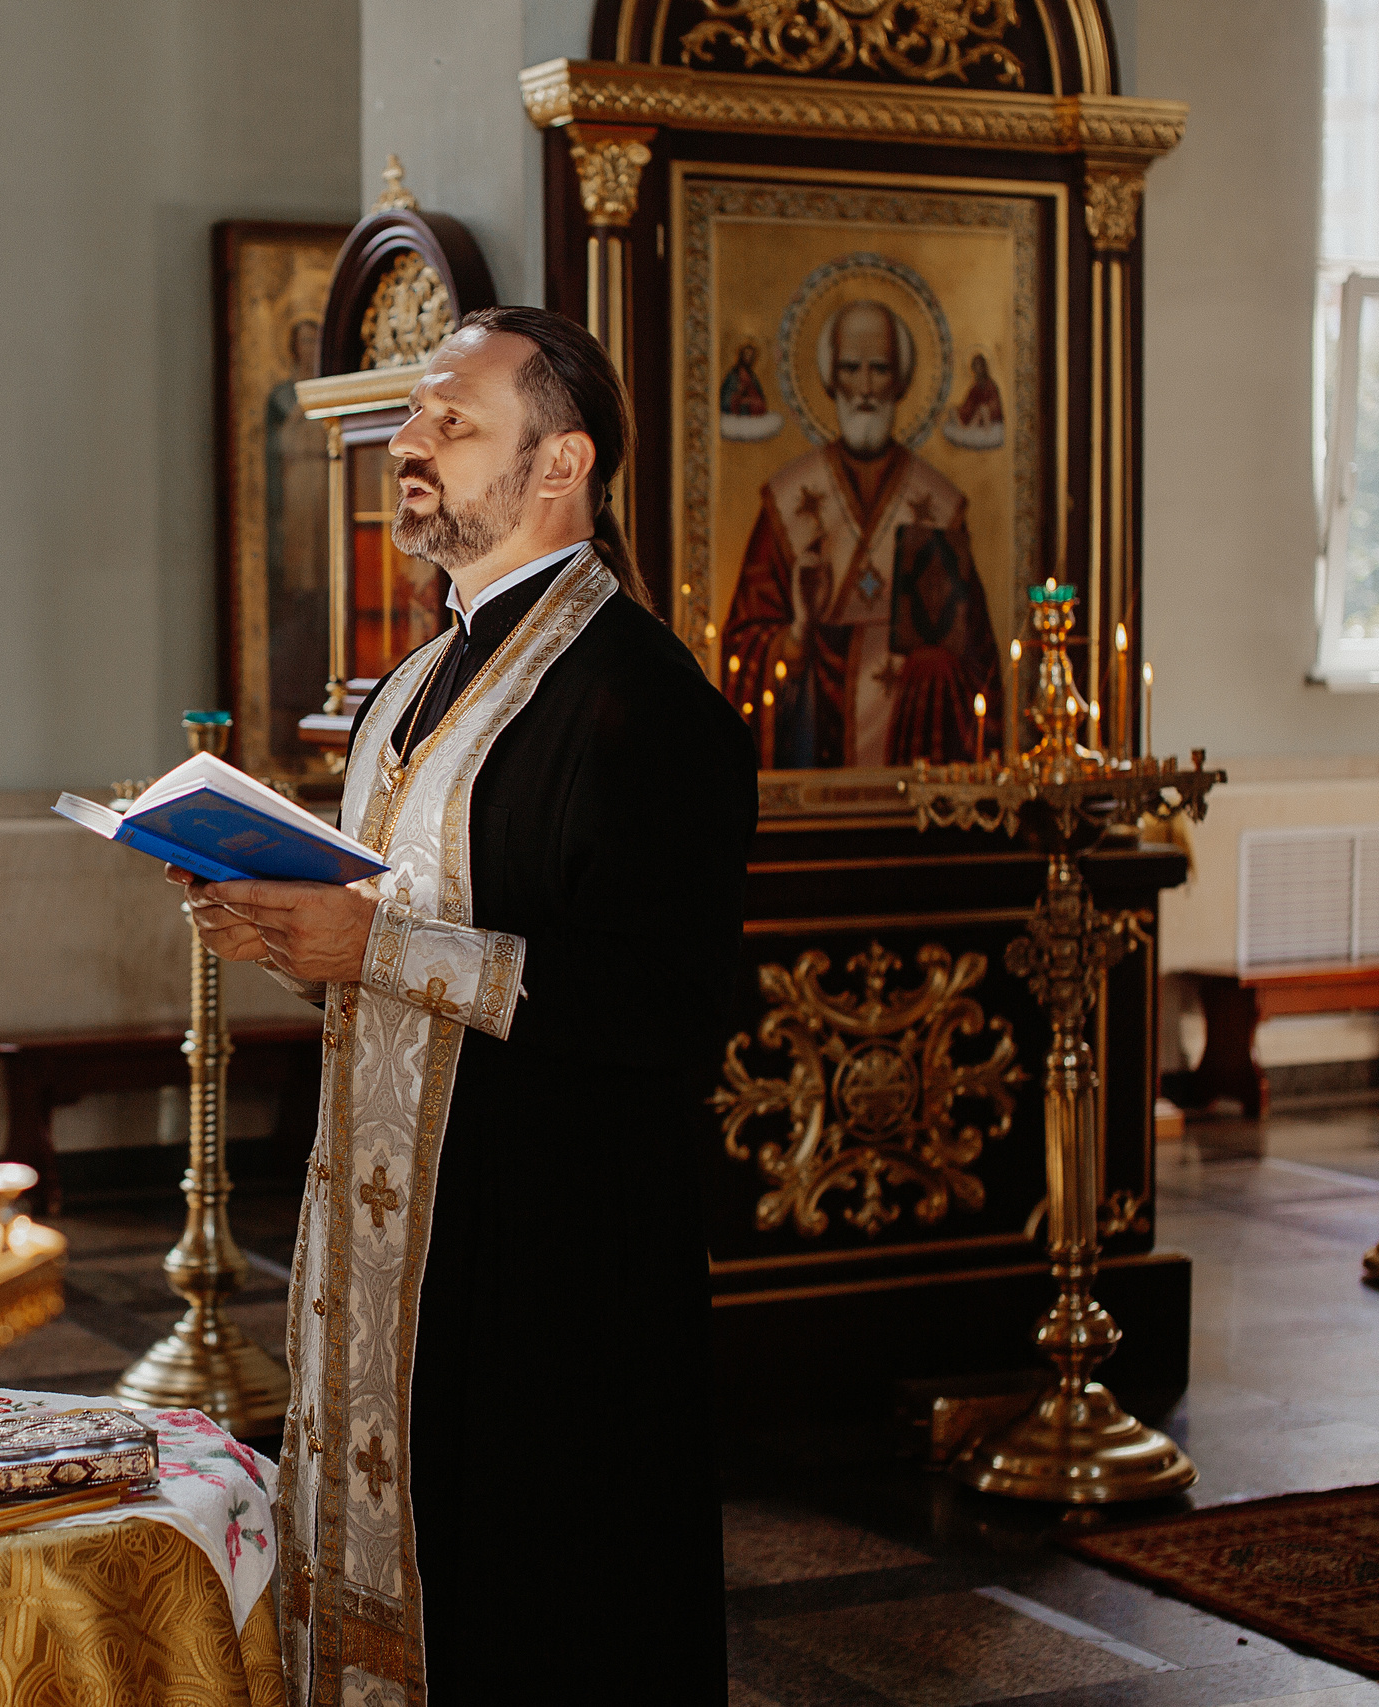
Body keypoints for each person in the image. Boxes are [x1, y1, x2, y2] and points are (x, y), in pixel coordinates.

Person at [175, 306, 755, 1701]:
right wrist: (285, 918)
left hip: (553, 1246)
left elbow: (665, 997)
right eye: (413, 417)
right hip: (391, 1228)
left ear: (562, 463)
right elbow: (388, 913)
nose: (409, 442)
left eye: (452, 419)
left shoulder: (643, 697)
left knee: (540, 1589)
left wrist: (370, 947)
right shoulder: (417, 679)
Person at [721, 299, 999, 767]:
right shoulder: (788, 499)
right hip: (811, 746)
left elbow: (978, 663)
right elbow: (742, 647)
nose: (866, 388)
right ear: (831, 378)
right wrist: (799, 634)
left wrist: (934, 666)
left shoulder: (941, 503)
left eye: (880, 369)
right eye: (851, 368)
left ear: (902, 380)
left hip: (916, 767)